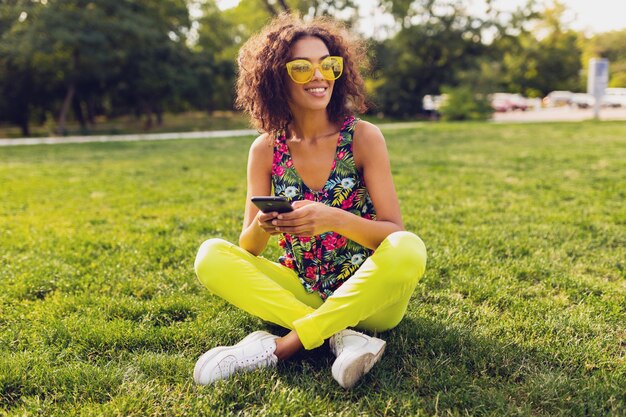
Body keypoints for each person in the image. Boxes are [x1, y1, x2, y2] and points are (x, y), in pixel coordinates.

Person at [193, 13, 427, 389]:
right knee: (210, 256)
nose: (319, 76)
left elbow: (391, 231)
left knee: (408, 247)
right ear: (276, 78)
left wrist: (333, 217)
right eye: (302, 68)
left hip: (370, 299)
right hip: (302, 287)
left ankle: (281, 347)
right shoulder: (265, 149)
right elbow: (248, 247)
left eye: (327, 65)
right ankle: (340, 336)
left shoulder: (363, 138)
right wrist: (262, 224)